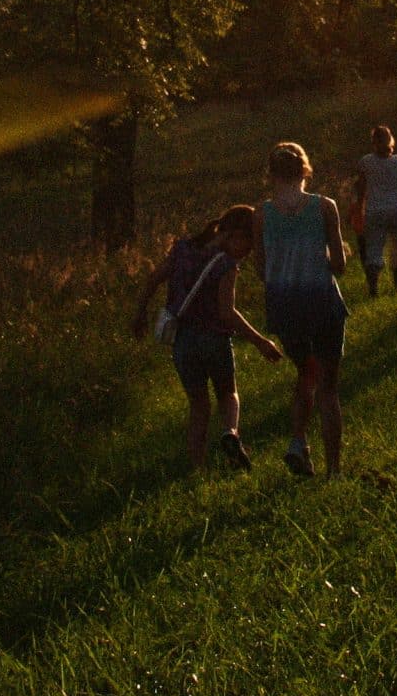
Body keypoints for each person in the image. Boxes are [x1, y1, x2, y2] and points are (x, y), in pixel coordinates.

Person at [133, 206, 282, 472]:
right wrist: (261, 342)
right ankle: (231, 433)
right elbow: (227, 313)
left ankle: (197, 467)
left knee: (198, 406)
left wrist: (140, 313)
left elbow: (154, 278)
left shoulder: (181, 250)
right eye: (248, 246)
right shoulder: (226, 265)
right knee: (228, 394)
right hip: (214, 341)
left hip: (183, 343)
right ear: (235, 235)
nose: (247, 254)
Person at [258, 141, 349, 477]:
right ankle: (334, 470)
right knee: (328, 387)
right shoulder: (325, 207)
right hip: (322, 304)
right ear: (305, 171)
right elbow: (338, 266)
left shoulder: (261, 215)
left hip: (285, 309)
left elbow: (261, 269)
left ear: (271, 175)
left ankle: (298, 442)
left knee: (305, 373)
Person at [350, 125, 397, 295]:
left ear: (373, 142)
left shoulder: (366, 162)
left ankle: (374, 289)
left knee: (374, 252)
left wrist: (358, 212)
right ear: (390, 140)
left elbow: (361, 190)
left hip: (375, 211)